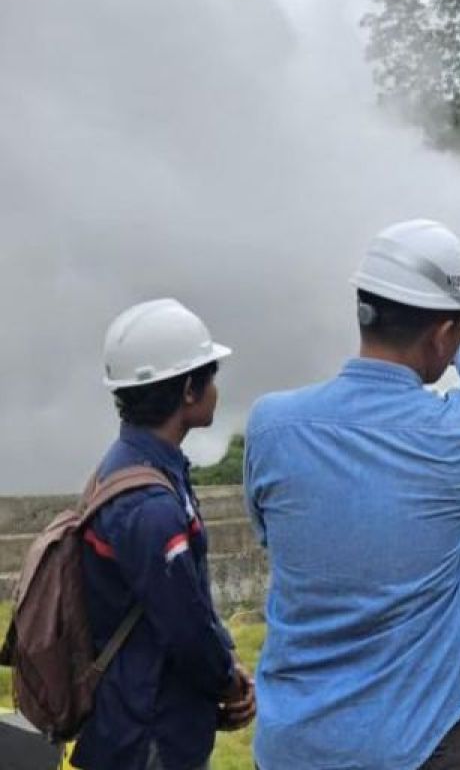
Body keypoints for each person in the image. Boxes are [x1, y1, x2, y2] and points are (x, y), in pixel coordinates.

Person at [244, 219, 460, 770]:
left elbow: (270, 532)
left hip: (293, 746)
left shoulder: (271, 426)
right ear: (444, 334)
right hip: (418, 744)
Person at [75, 299, 254, 770]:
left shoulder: (130, 470)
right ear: (190, 390)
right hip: (147, 734)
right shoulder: (148, 504)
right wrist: (229, 681)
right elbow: (184, 624)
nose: (216, 389)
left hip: (134, 717)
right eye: (210, 377)